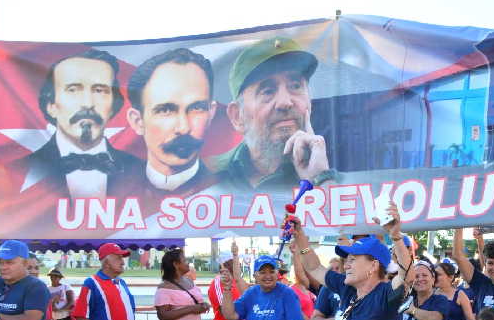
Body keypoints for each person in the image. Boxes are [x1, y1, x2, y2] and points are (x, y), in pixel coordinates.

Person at [215, 37, 336, 190]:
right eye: (268, 91)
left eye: (295, 86)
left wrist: (320, 179)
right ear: (237, 116)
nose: (285, 102)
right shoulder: (205, 176)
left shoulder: (341, 180)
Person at [20, 50, 143, 200]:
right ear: (51, 106)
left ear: (113, 106)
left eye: (99, 90)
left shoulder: (143, 173)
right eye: (73, 90)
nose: (87, 103)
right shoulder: (17, 172)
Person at [126, 48, 217, 199]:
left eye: (196, 108)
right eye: (166, 110)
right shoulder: (110, 192)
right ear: (137, 121)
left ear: (211, 113)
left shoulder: (236, 191)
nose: (184, 128)